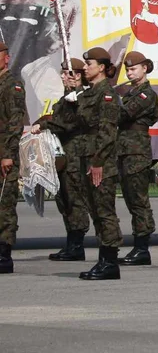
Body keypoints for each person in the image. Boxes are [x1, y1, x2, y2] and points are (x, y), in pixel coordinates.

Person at [48, 47, 123, 280]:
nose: (86, 67)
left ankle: (110, 261)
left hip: (100, 160)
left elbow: (107, 131)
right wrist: (72, 95)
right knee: (95, 210)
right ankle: (104, 260)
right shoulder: (89, 94)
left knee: (104, 211)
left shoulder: (107, 94)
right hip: (87, 157)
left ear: (101, 67)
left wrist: (98, 161)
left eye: (89, 64)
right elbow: (72, 120)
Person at [116, 52, 158, 266]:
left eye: (134, 69)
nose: (129, 72)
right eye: (128, 69)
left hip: (136, 151)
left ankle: (142, 247)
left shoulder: (146, 95)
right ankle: (139, 246)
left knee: (139, 200)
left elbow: (124, 114)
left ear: (145, 68)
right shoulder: (132, 92)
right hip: (126, 149)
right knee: (131, 199)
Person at [44, 59, 91, 262]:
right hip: (63, 153)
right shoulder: (67, 98)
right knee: (63, 197)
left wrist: (46, 124)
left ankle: (77, 244)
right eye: (62, 73)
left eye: (67, 74)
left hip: (76, 153)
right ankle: (70, 241)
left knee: (74, 198)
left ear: (78, 76)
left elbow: (70, 124)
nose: (63, 77)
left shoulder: (82, 97)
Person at [0, 40, 26, 274]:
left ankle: (4, 255)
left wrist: (7, 155)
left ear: (6, 58)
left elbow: (15, 123)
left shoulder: (11, 85)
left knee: (4, 206)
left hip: (4, 156)